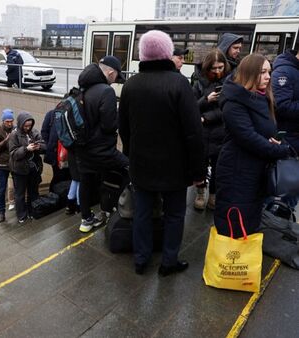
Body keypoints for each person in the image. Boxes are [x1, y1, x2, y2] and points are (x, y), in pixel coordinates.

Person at [119, 30, 205, 276]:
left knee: (142, 213)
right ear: (168, 53)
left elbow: (123, 127)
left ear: (142, 54)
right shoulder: (179, 83)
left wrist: (132, 154)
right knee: (175, 215)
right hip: (175, 168)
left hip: (141, 165)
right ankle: (168, 261)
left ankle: (141, 259)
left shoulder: (131, 84)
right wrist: (198, 171)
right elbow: (193, 133)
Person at [214, 53, 291, 238]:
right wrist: (280, 149)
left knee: (249, 222)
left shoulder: (262, 97)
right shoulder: (234, 101)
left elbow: (266, 131)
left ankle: (243, 261)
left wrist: (279, 141)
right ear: (249, 74)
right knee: (235, 224)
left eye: (269, 72)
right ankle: (230, 263)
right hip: (237, 172)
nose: (268, 76)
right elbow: (248, 137)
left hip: (253, 171)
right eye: (262, 72)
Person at [75, 55, 129, 233]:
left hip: (82, 149)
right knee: (128, 168)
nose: (115, 82)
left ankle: (86, 220)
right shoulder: (106, 92)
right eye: (115, 78)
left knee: (86, 181)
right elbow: (108, 126)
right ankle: (117, 209)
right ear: (111, 72)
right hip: (102, 150)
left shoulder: (82, 88)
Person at [191, 49, 231, 211]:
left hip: (220, 132)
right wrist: (205, 99)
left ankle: (213, 196)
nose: (217, 71)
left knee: (217, 168)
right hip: (201, 133)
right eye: (213, 68)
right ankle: (200, 193)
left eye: (220, 67)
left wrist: (207, 117)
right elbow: (191, 107)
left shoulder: (230, 81)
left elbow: (229, 109)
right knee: (199, 166)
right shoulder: (198, 82)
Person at [271, 48, 299, 208]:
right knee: (283, 187)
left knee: (293, 190)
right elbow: (282, 105)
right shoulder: (284, 71)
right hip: (287, 140)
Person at [9, 112, 46, 223]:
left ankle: (33, 212)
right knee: (20, 194)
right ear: (20, 124)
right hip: (19, 170)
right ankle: (22, 215)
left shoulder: (34, 132)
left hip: (33, 168)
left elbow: (44, 146)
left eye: (30, 125)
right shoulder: (14, 135)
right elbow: (13, 154)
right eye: (25, 126)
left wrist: (39, 147)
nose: (28, 128)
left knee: (34, 192)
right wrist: (26, 149)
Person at [0, 108, 15, 223]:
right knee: (1, 190)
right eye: (7, 121)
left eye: (11, 121)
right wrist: (6, 140)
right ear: (3, 121)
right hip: (2, 164)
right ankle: (1, 213)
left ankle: (20, 207)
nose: (10, 123)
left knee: (19, 186)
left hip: (15, 162)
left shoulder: (16, 129)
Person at [41, 108, 71, 192]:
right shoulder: (51, 114)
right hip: (55, 153)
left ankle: (61, 196)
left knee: (67, 176)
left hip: (67, 153)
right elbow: (44, 132)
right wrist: (50, 145)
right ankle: (54, 195)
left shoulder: (69, 114)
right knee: (58, 176)